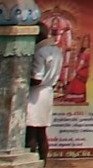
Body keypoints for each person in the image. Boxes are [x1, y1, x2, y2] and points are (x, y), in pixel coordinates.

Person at [26, 23, 65, 160]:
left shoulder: (40, 52)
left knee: (31, 132)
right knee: (41, 132)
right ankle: (43, 162)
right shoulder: (56, 50)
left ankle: (30, 163)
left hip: (36, 93)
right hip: (48, 92)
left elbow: (36, 78)